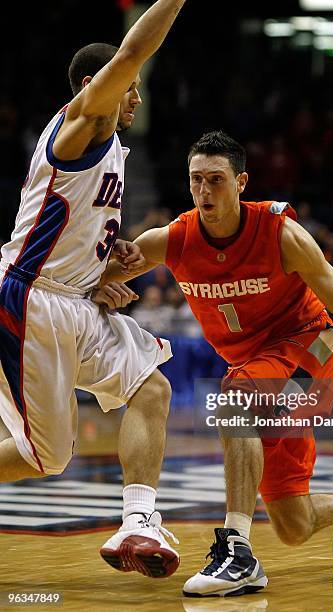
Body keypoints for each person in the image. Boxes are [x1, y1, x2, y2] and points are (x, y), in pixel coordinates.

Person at [96, 131, 333, 597]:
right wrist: (102, 285)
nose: (204, 190)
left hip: (310, 349)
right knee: (292, 523)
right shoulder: (175, 239)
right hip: (262, 370)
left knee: (235, 399)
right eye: (196, 180)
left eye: (216, 179)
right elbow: (95, 277)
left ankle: (237, 551)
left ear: (241, 183)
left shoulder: (282, 235)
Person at [0, 0, 188, 579]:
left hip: (74, 302)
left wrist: (104, 271)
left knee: (151, 387)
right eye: (130, 89)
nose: (137, 98)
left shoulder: (108, 149)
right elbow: (134, 52)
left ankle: (137, 521)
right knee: (48, 458)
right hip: (31, 301)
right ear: (96, 84)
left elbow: (68, 229)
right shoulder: (84, 122)